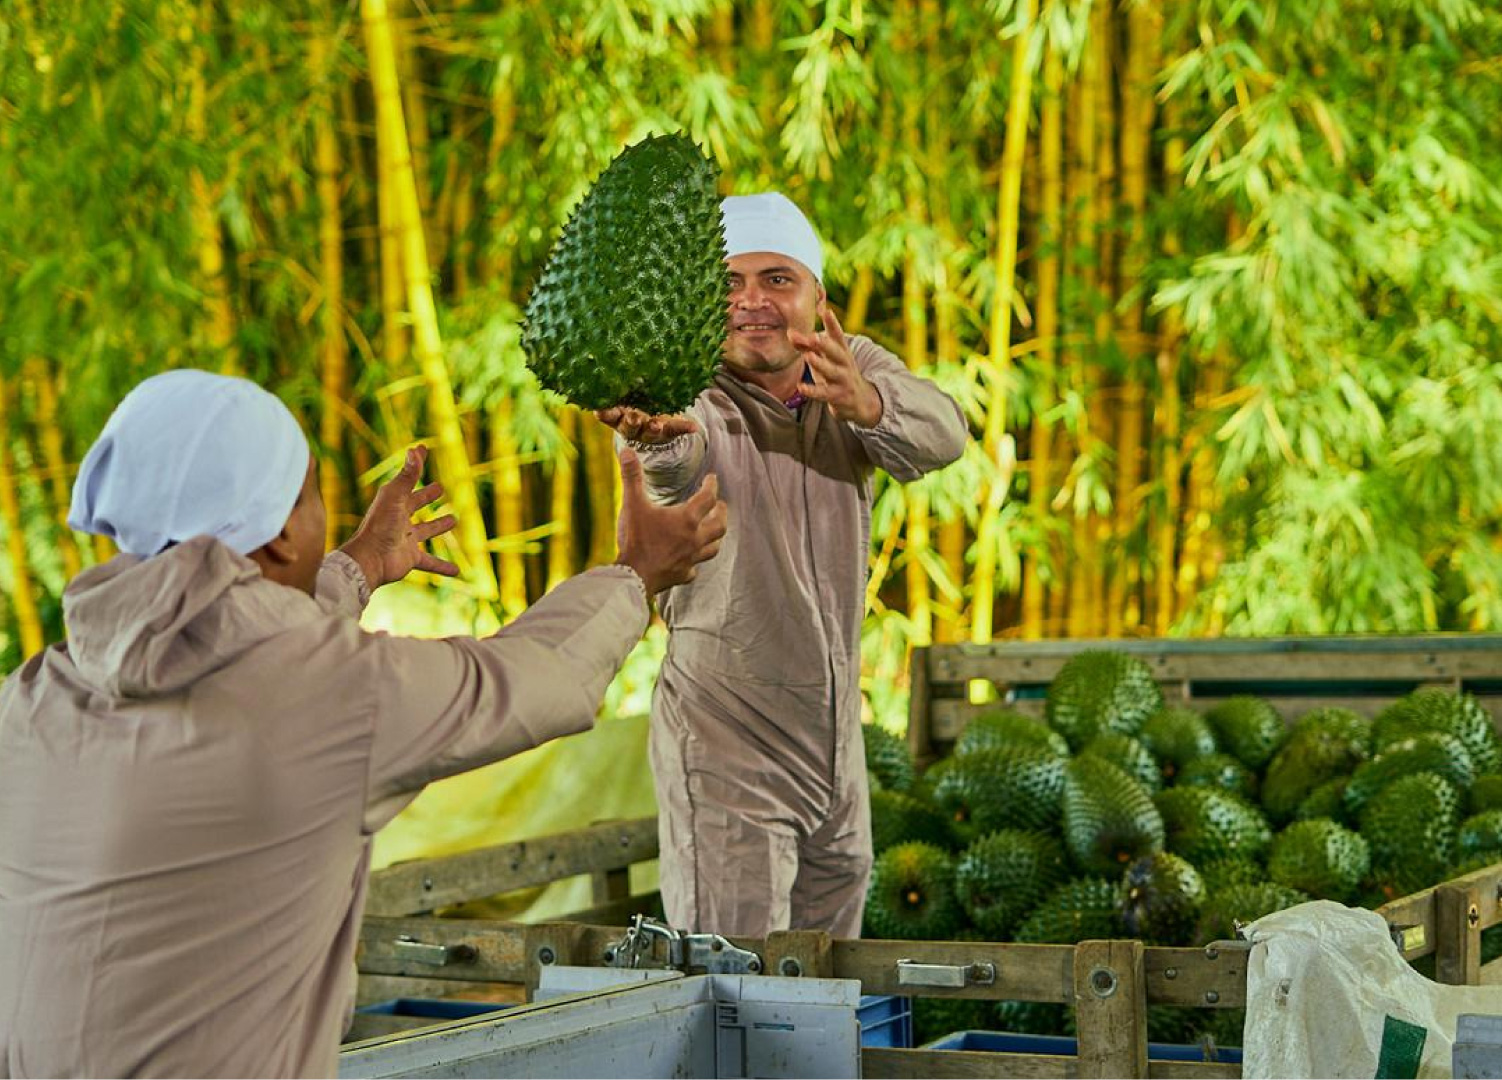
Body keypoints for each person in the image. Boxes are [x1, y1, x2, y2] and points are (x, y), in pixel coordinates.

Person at [0, 369, 726, 1078]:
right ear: (284, 534)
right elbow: (542, 676)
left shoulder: (32, 698)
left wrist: (356, 567)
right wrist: (639, 572)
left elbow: (236, 649)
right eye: (314, 494)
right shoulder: (336, 699)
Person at [596, 192, 968, 939]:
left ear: (818, 297)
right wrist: (662, 441)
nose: (751, 303)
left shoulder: (846, 365)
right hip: (728, 733)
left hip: (835, 738)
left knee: (829, 985)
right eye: (728, 284)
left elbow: (946, 434)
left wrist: (866, 403)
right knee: (734, 983)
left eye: (776, 280)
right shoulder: (681, 387)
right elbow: (674, 465)